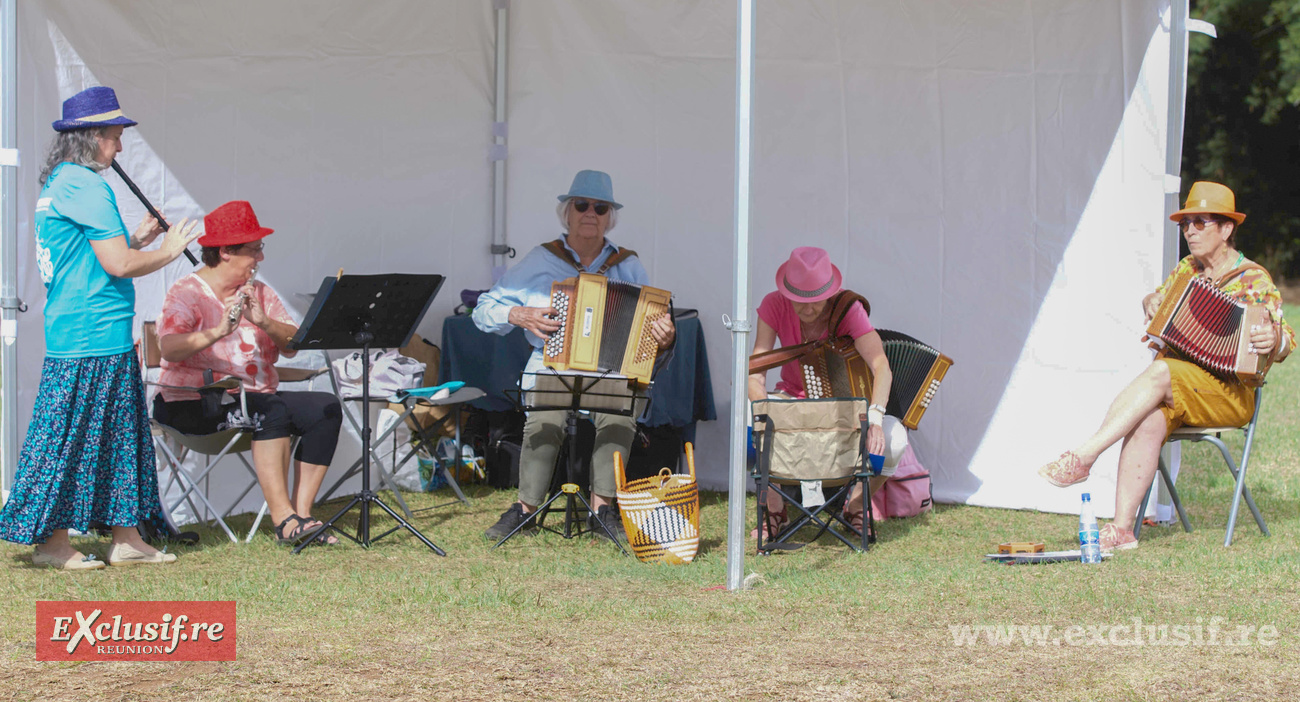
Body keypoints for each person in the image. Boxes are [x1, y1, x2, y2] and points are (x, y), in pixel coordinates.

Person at [0, 86, 199, 569]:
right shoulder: (88, 187)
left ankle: (126, 539)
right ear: (90, 137)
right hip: (91, 336)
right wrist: (169, 252)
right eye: (114, 136)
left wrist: (139, 237)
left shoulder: (61, 185)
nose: (121, 147)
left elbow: (88, 259)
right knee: (70, 441)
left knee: (117, 438)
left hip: (88, 333)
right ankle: (51, 544)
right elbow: (118, 265)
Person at [1038, 181, 1295, 551]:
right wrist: (1150, 300)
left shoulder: (1253, 279)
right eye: (1185, 224)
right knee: (1147, 419)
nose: (1190, 230)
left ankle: (1085, 455)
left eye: (1200, 222)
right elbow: (1160, 300)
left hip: (1229, 394)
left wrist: (1274, 340)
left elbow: (1285, 338)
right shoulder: (1187, 270)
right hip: (1183, 390)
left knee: (1161, 371)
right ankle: (1123, 530)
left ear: (1226, 229)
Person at [473, 169, 675, 542]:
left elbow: (652, 327)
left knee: (620, 418)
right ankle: (525, 511)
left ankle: (603, 511)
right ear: (566, 213)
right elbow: (483, 309)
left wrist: (664, 336)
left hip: (611, 369)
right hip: (552, 364)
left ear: (609, 218)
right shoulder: (540, 260)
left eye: (600, 208)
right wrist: (518, 314)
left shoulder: (627, 264)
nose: (590, 213)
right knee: (543, 422)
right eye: (581, 205)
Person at [152, 200, 343, 546]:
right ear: (225, 251)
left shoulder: (260, 293)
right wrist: (218, 331)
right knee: (272, 411)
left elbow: (292, 346)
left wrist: (265, 322)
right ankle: (283, 521)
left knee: (326, 407)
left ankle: (302, 516)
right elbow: (168, 348)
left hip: (254, 398)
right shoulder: (188, 292)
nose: (261, 258)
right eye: (254, 250)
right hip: (191, 403)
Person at [748, 246, 910, 537]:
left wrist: (875, 418)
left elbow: (881, 366)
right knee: (748, 422)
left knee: (895, 438)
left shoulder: (848, 309)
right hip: (793, 400)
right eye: (799, 301)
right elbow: (755, 372)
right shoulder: (773, 304)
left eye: (816, 301)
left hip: (845, 407)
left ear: (829, 293)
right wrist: (764, 411)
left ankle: (857, 506)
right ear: (786, 292)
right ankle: (775, 510)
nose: (808, 309)